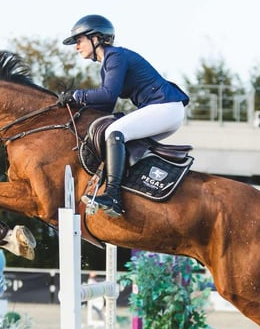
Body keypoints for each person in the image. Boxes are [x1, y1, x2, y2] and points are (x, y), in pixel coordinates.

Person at [60, 14, 189, 218]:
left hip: (165, 107)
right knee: (119, 141)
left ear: (96, 38)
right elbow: (107, 105)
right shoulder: (109, 63)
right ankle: (133, 194)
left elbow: (108, 94)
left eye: (79, 40)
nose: (76, 46)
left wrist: (77, 95)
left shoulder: (115, 56)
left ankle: (113, 196)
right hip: (165, 111)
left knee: (115, 131)